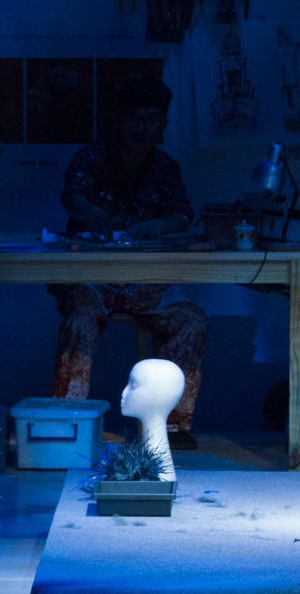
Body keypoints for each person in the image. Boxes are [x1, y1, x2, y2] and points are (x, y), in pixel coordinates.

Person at [49, 76, 208, 450]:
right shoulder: (93, 157)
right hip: (92, 280)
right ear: (118, 120)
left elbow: (182, 217)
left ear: (162, 125)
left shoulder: (165, 167)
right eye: (134, 119)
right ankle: (68, 422)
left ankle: (171, 428)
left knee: (192, 321)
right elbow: (71, 196)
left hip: (147, 282)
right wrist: (89, 212)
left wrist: (160, 225)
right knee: (80, 320)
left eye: (151, 120)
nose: (141, 129)